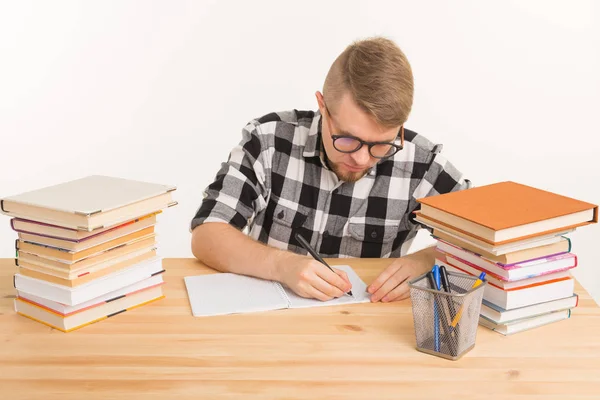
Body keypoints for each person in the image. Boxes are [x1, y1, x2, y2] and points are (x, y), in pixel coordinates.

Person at [190, 37, 470, 303]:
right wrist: (281, 265)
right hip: (271, 325)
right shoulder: (269, 142)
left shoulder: (421, 163)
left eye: (382, 145)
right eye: (347, 139)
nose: (361, 159)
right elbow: (207, 234)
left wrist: (427, 260)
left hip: (369, 330)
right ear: (322, 106)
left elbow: (489, 243)